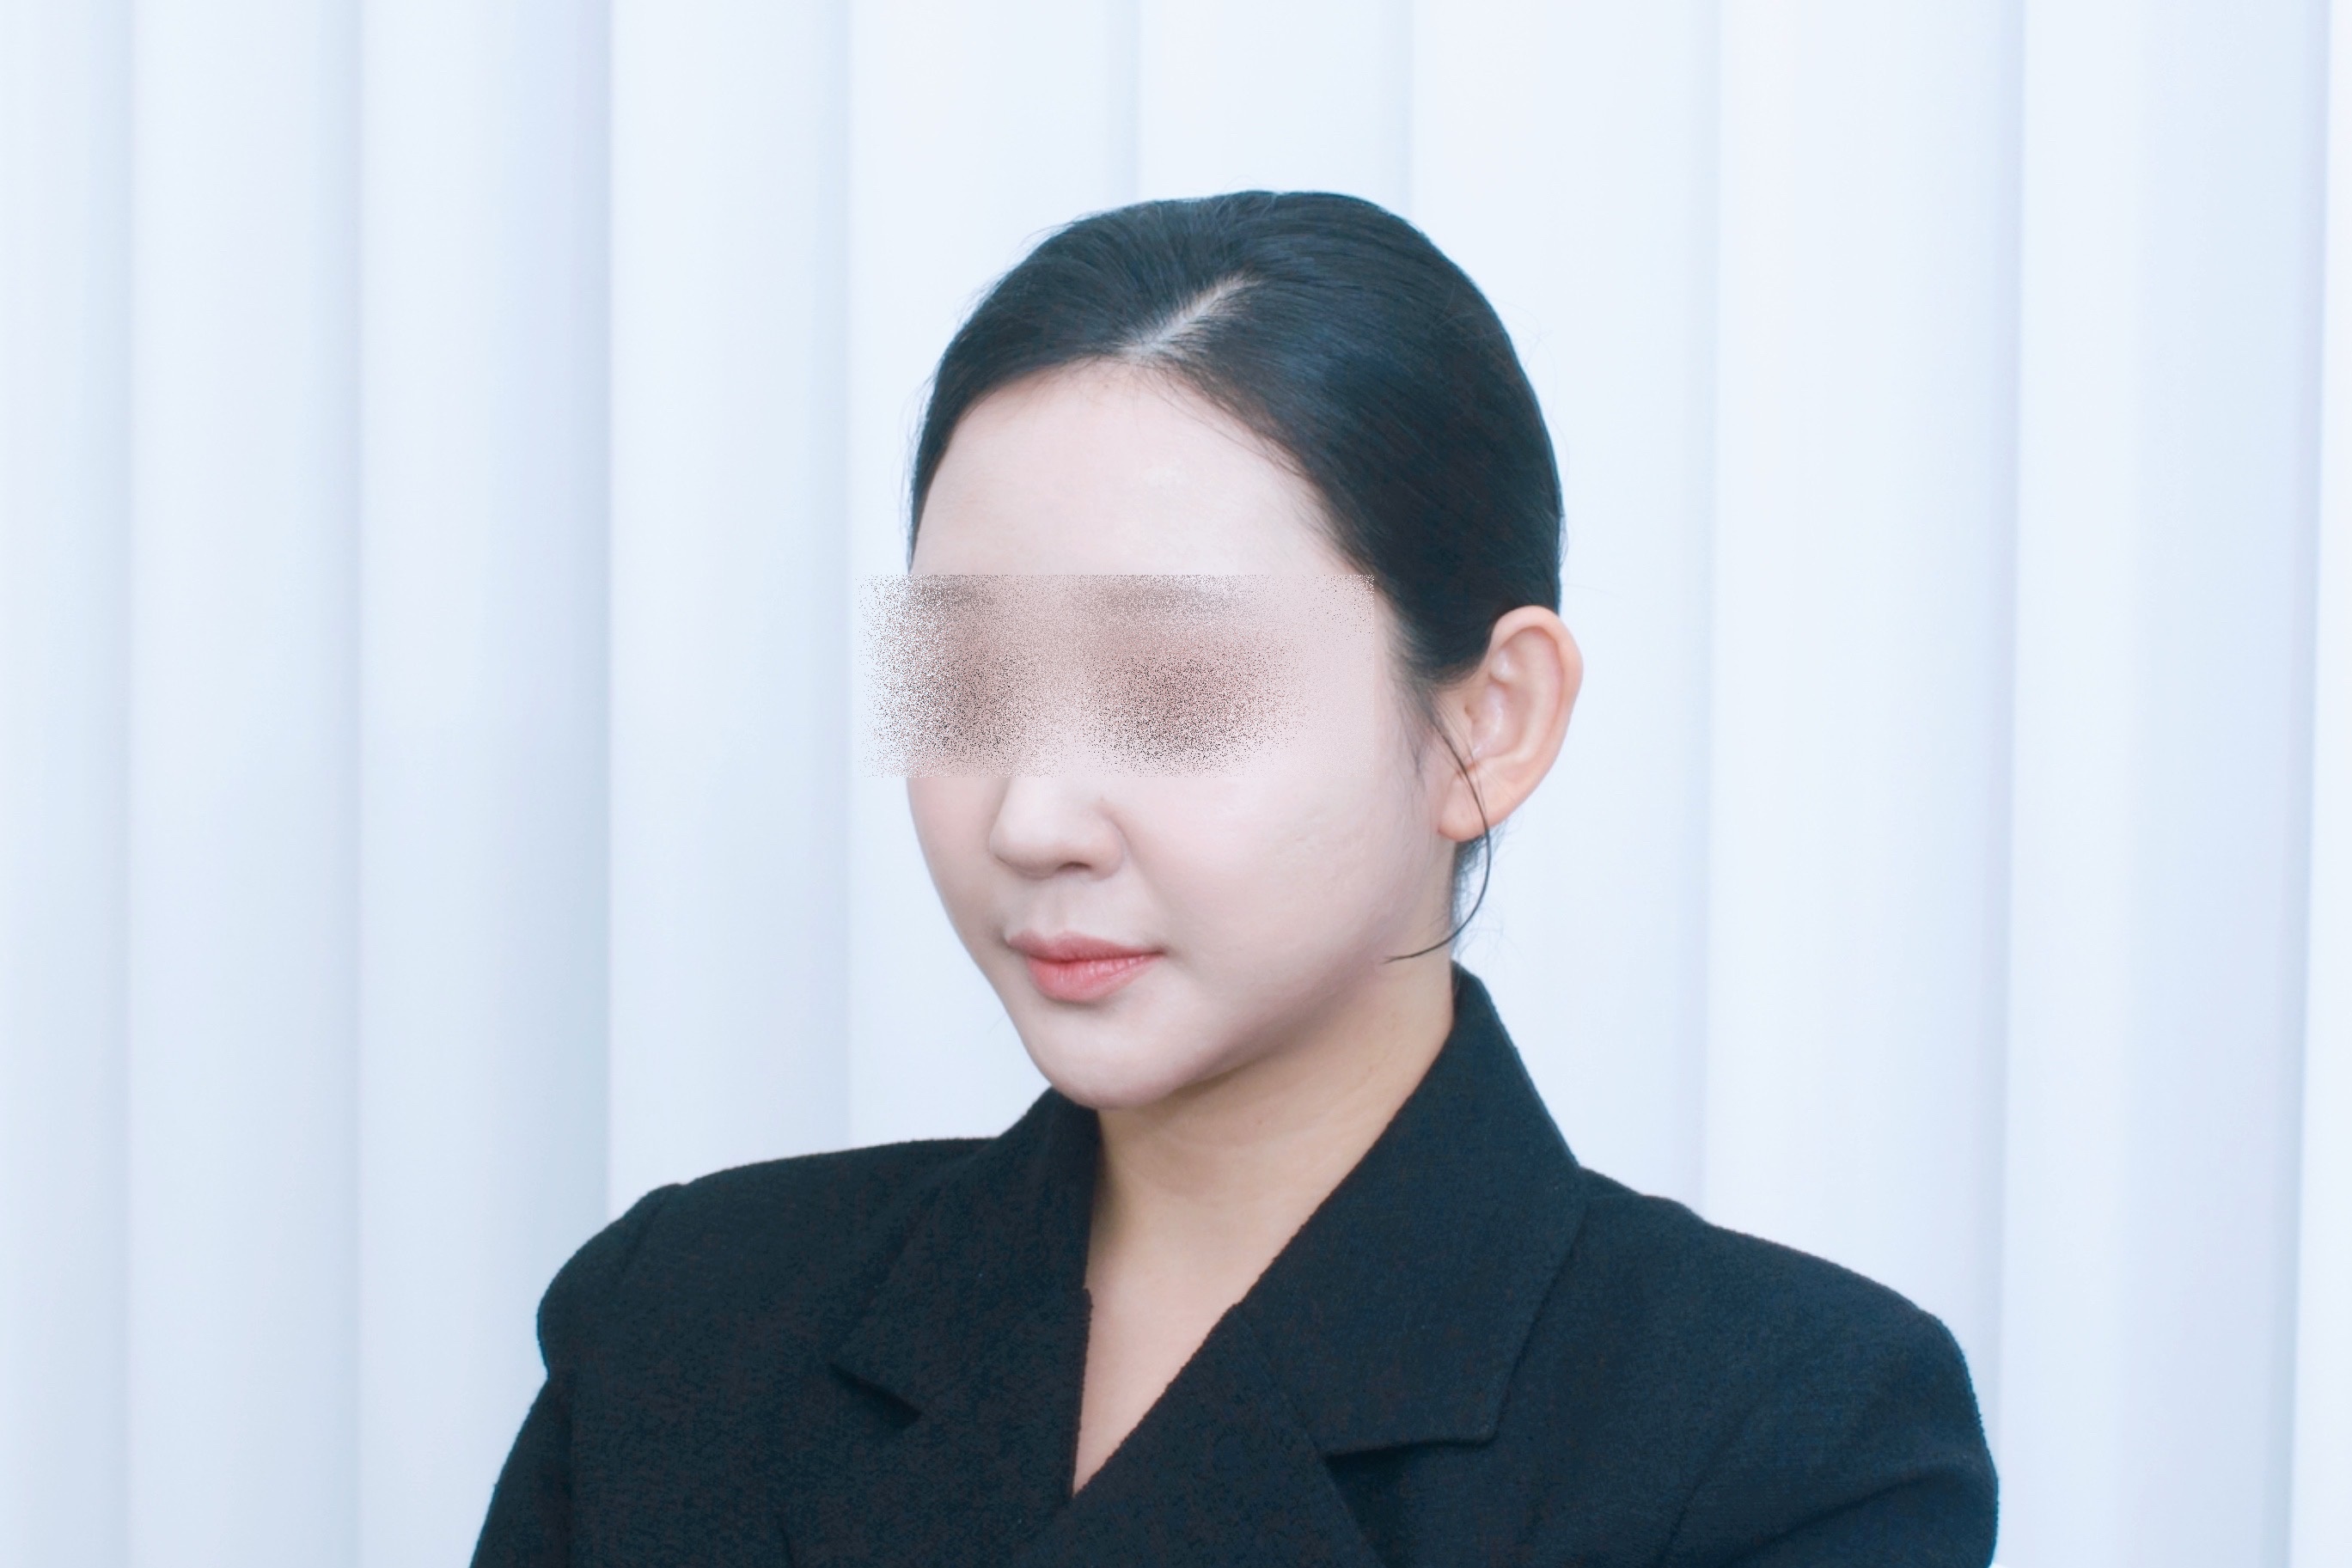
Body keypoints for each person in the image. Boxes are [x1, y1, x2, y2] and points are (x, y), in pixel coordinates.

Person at [471, 192, 1997, 1566]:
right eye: (969, 678)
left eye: (1169, 683)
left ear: (1490, 720)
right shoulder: (683, 1325)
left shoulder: (1780, 1440)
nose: (1033, 818)